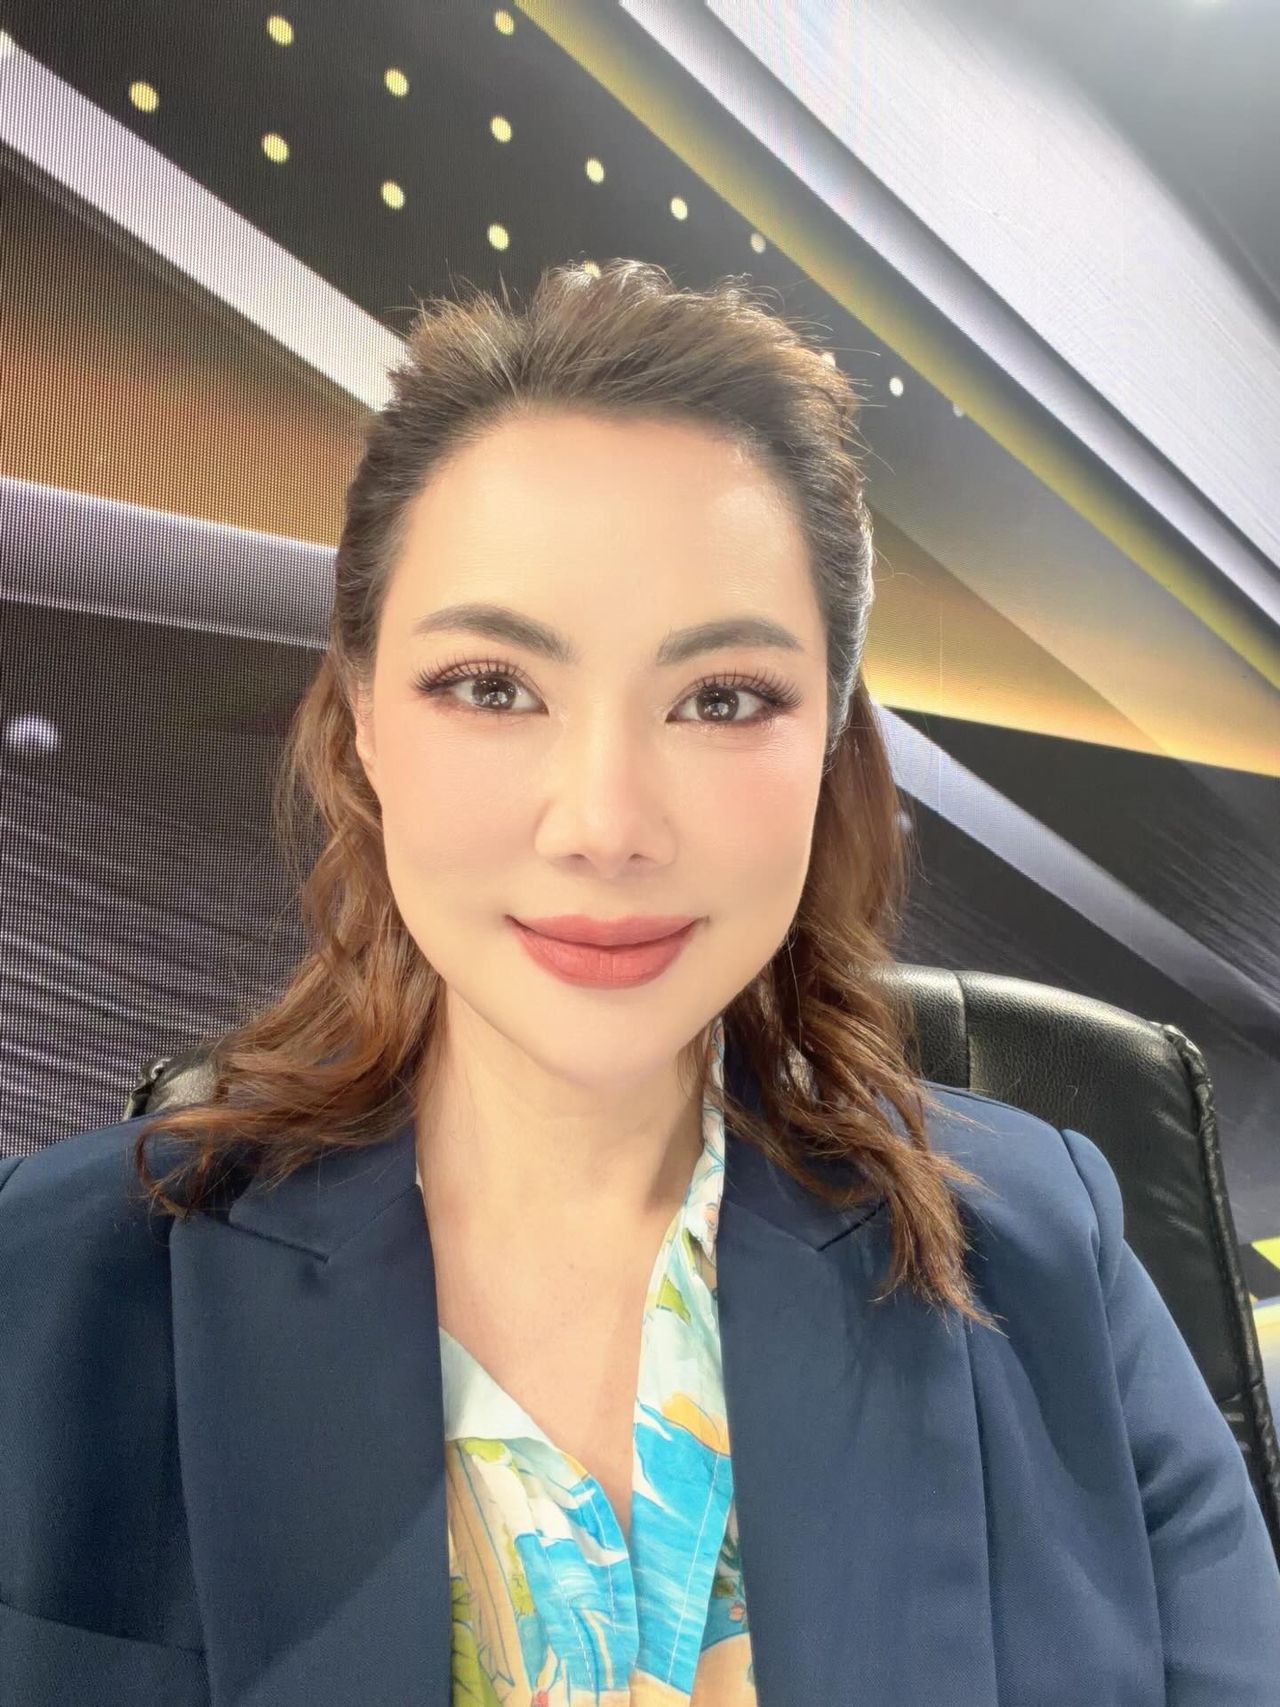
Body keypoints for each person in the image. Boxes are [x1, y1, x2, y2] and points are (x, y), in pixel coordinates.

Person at [2, 260, 1278, 1707]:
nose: (604, 824)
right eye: (493, 686)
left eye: (721, 699)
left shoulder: (1048, 1255)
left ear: (830, 740)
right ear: (361, 718)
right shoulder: (46, 1284)